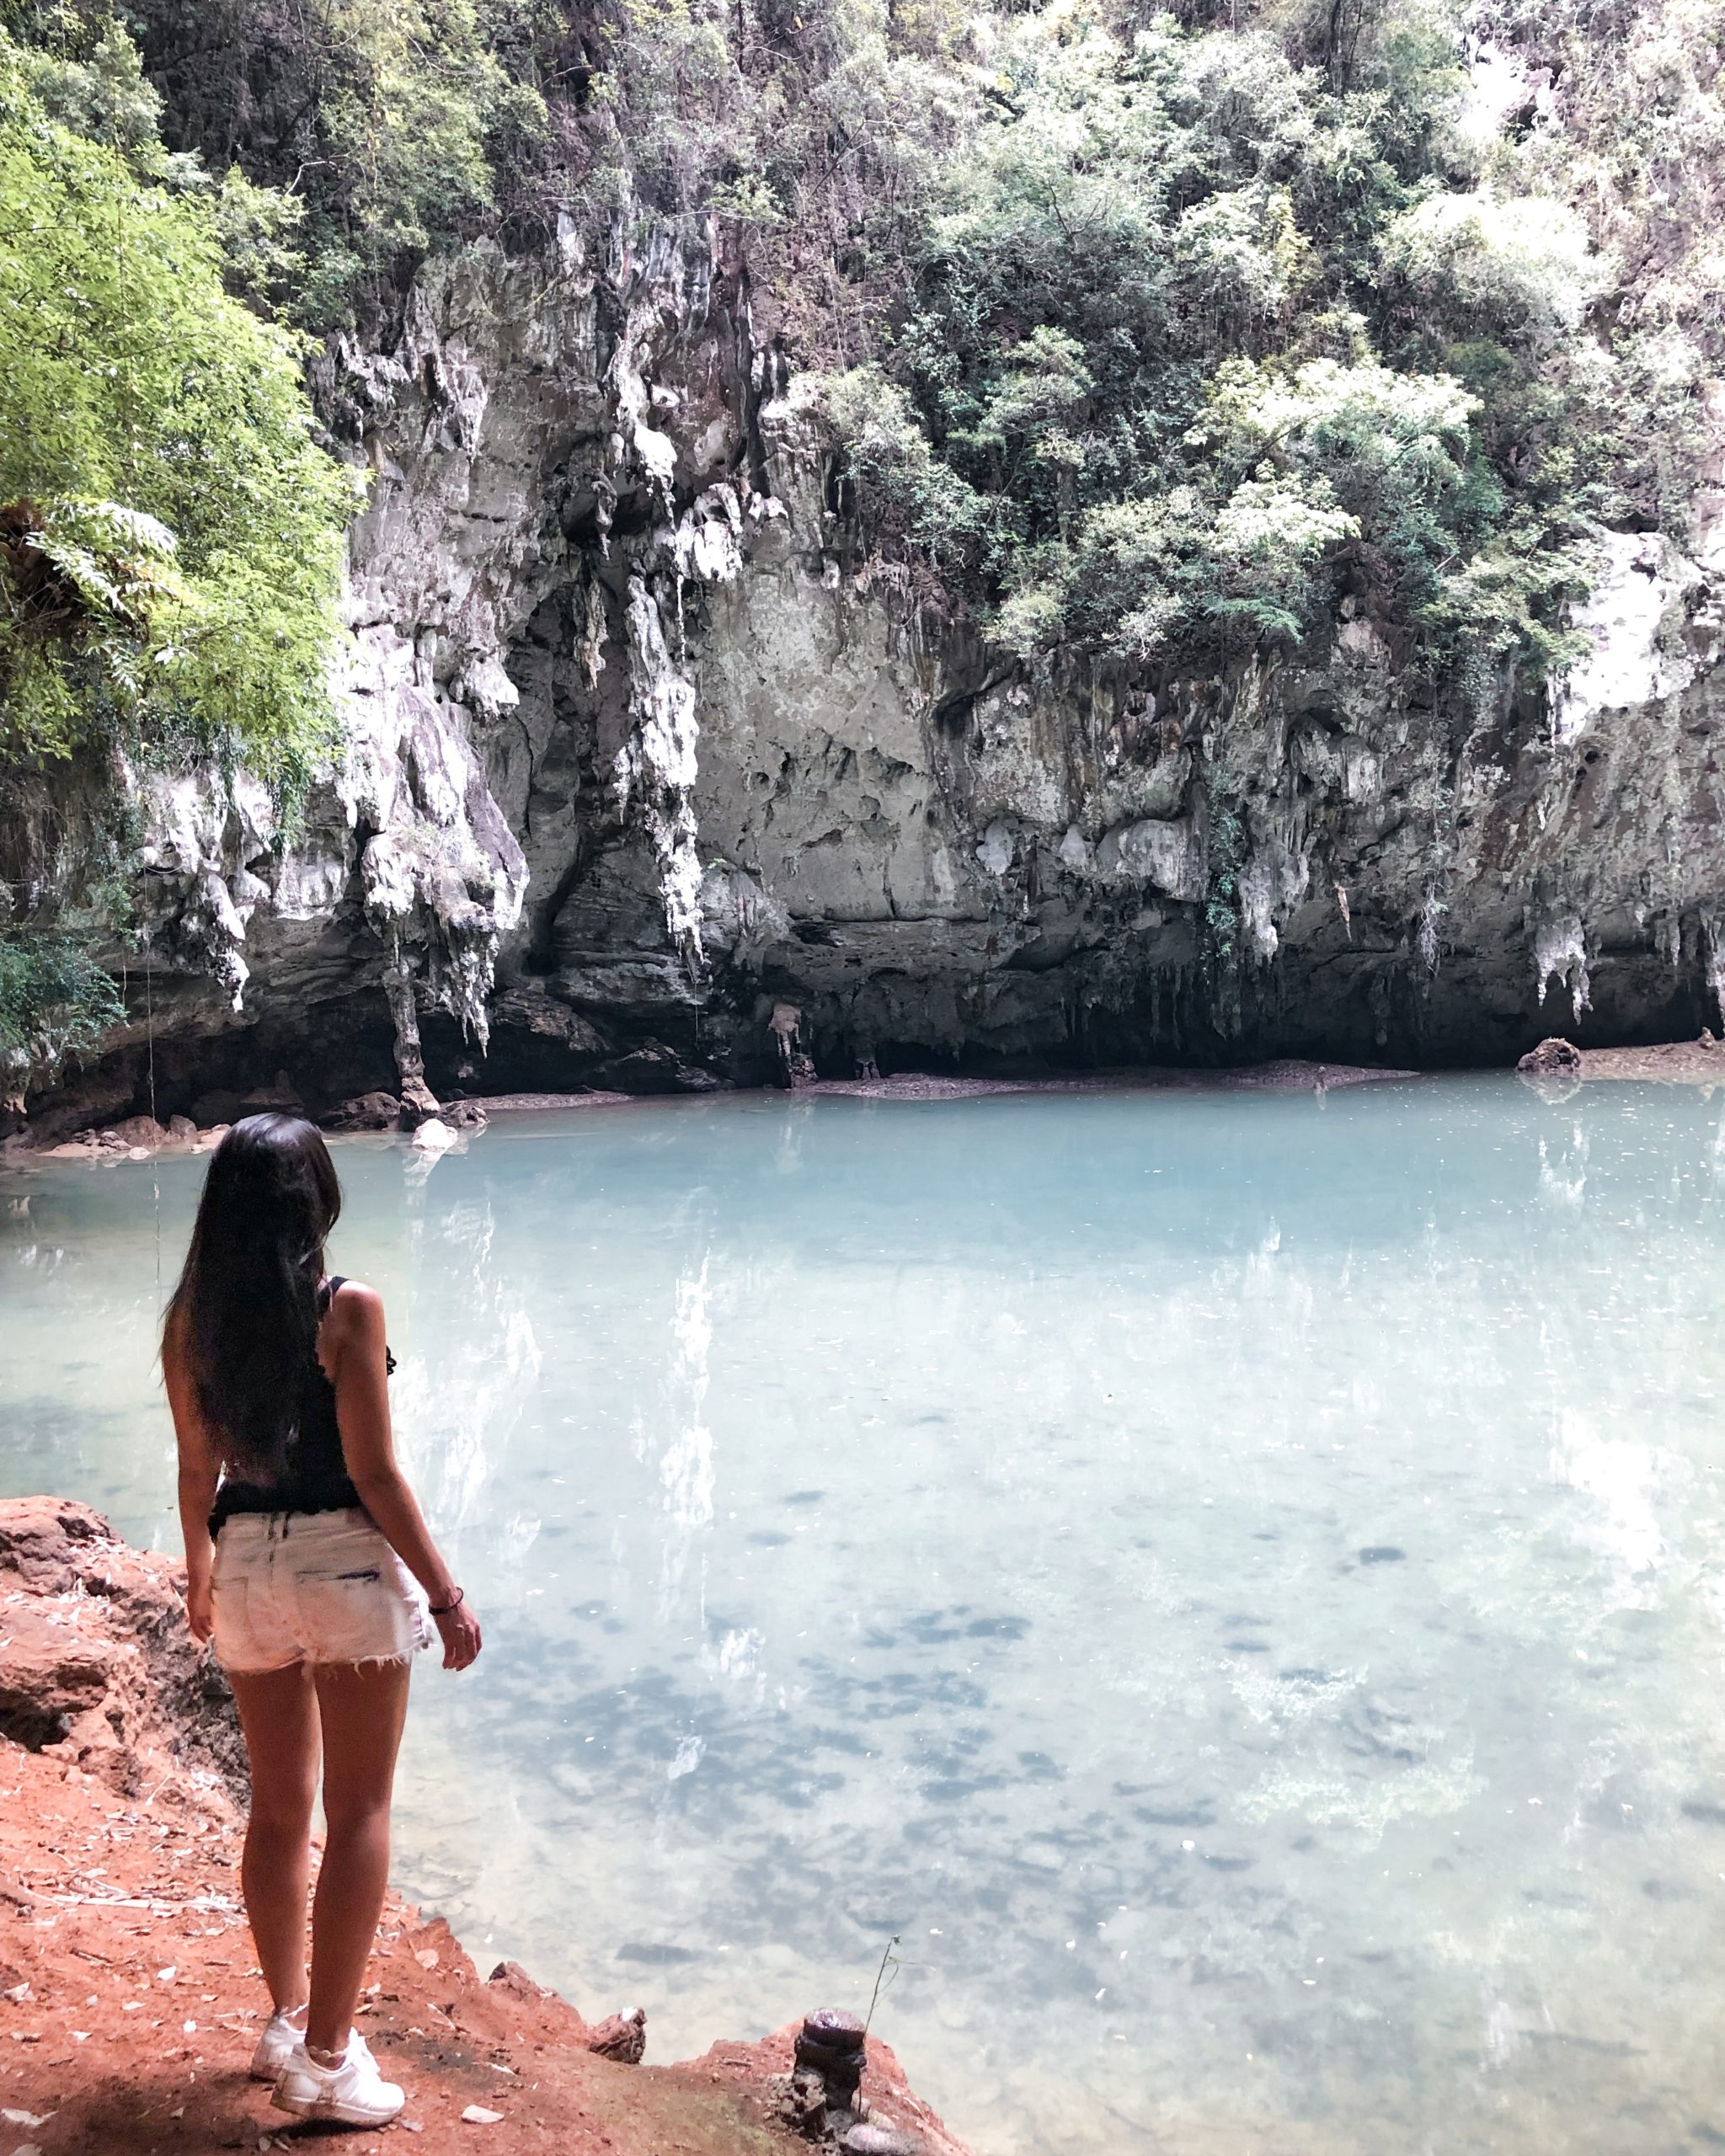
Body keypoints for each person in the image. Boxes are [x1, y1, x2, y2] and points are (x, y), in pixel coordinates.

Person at [161, 1113, 482, 2129]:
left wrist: (200, 1575)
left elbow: (196, 1473)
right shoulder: (346, 1309)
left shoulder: (189, 1323)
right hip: (343, 1567)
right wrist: (445, 1594)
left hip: (247, 1566)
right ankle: (329, 2063)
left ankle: (287, 2020)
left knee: (277, 1811)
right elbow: (374, 1474)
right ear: (316, 1201)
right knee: (360, 1813)